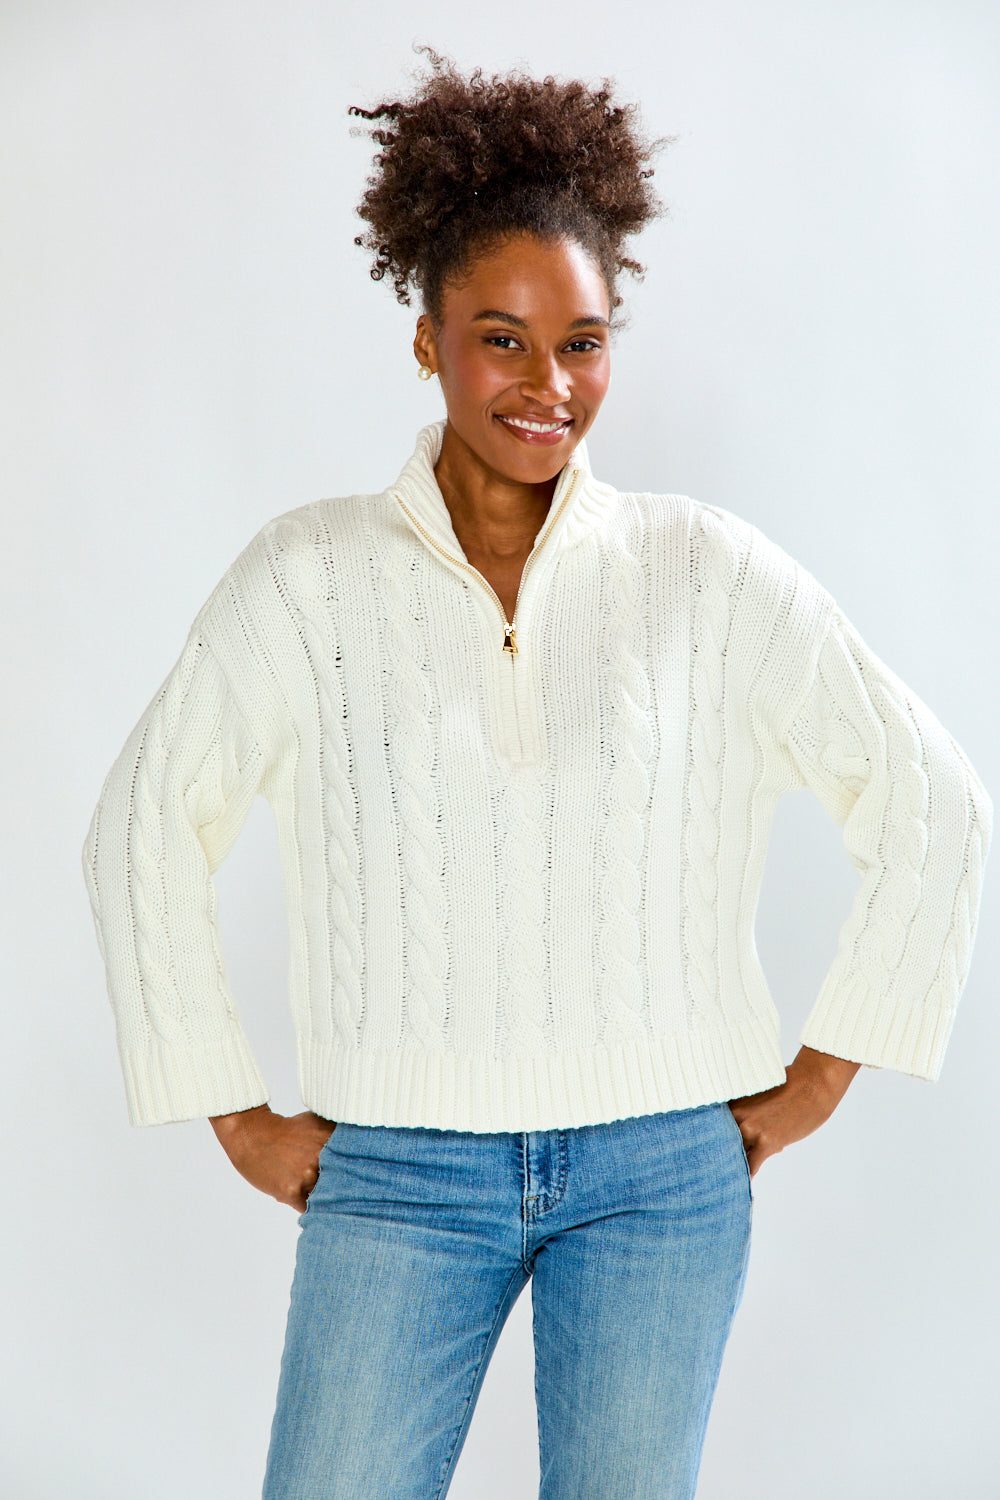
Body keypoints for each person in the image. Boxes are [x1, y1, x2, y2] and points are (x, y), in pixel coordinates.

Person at [82, 47, 992, 1500]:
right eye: (501, 338)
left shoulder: (707, 572)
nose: (548, 385)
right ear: (427, 332)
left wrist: (820, 1076)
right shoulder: (308, 580)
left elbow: (935, 800)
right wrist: (233, 1107)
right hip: (395, 1179)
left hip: (662, 1180)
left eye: (584, 341)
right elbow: (140, 826)